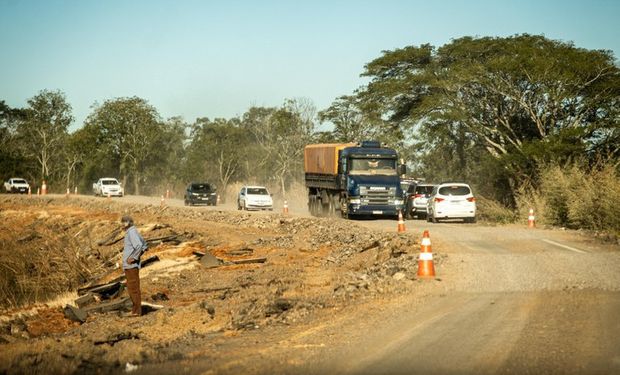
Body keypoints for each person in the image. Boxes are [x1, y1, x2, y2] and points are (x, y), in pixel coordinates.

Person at [121, 215, 148, 316]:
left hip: (131, 266)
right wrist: (138, 255)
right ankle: (135, 310)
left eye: (123, 223)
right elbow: (145, 245)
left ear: (127, 223)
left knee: (133, 288)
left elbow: (139, 245)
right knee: (133, 287)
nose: (122, 225)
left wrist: (134, 258)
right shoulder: (133, 231)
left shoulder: (131, 232)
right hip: (131, 266)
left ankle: (136, 312)